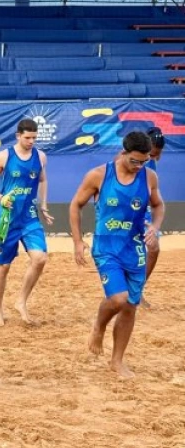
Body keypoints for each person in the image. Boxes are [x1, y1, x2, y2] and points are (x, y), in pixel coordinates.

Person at [69, 131, 163, 378]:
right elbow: (76, 205)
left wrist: (154, 227)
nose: (139, 166)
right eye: (134, 161)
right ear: (123, 153)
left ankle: (117, 360)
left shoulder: (149, 177)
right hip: (106, 247)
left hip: (135, 249)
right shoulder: (99, 175)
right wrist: (78, 241)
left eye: (144, 161)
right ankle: (99, 326)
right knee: (119, 299)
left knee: (130, 306)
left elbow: (158, 205)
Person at [0, 119, 54, 326]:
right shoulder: (4, 156)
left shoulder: (40, 157)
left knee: (40, 258)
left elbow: (42, 180)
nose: (31, 141)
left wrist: (43, 205)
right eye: (27, 137)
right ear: (18, 136)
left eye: (34, 138)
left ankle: (21, 301)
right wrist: (0, 198)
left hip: (29, 218)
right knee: (3, 266)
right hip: (7, 219)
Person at [141, 127, 165, 307]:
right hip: (129, 211)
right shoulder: (130, 158)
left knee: (154, 249)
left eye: (157, 153)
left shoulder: (152, 163)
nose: (154, 157)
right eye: (152, 153)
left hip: (144, 211)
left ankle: (137, 290)